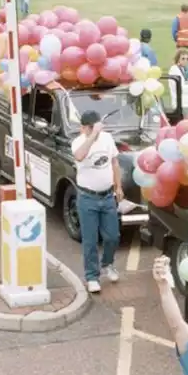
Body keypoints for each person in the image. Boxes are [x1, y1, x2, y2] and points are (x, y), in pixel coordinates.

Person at [70, 110, 123, 293]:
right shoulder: (79, 142)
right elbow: (79, 156)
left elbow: (114, 162)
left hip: (107, 196)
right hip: (87, 198)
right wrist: (92, 135)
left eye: (96, 126)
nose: (96, 130)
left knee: (112, 236)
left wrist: (118, 186)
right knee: (90, 240)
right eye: (91, 127)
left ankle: (108, 263)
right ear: (83, 128)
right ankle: (92, 276)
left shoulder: (107, 139)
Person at [167, 48, 188, 116]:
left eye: (187, 59)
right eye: (183, 58)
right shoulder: (174, 70)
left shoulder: (184, 69)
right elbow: (180, 88)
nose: (185, 61)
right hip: (181, 104)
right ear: (178, 59)